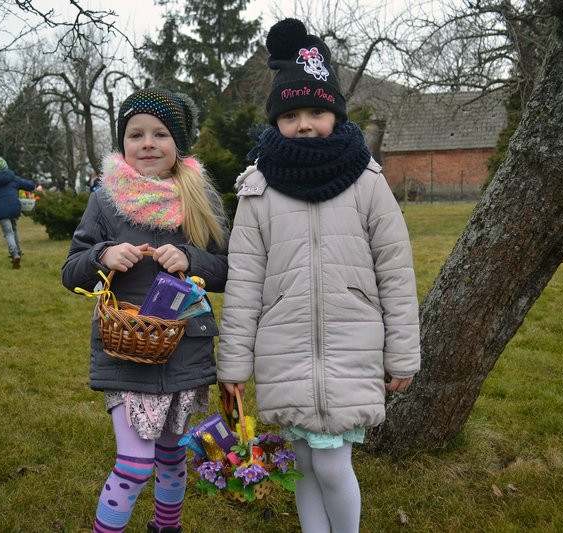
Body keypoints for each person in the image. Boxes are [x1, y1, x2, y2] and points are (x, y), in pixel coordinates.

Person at [217, 19, 421, 533]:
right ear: (275, 120)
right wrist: (234, 364)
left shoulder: (367, 180)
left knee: (332, 463)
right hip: (284, 346)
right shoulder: (258, 188)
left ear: (335, 112)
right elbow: (243, 281)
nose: (304, 124)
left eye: (316, 111)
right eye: (290, 115)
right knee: (304, 462)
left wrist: (402, 355)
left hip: (350, 347)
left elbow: (396, 271)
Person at [61, 88, 228, 533]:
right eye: (136, 134)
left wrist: (192, 259)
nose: (148, 143)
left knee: (172, 455)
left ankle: (166, 527)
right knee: (135, 464)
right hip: (127, 350)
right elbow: (70, 271)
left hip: (183, 349)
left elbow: (228, 268)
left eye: (160, 134)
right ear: (123, 144)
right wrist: (102, 256)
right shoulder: (105, 200)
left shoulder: (199, 199)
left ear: (179, 144)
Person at [0, 156, 35, 269]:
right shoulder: (13, 178)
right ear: (5, 166)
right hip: (14, 208)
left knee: (8, 232)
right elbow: (29, 185)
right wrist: (31, 184)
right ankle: (18, 252)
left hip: (0, 210)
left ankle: (15, 254)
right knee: (14, 229)